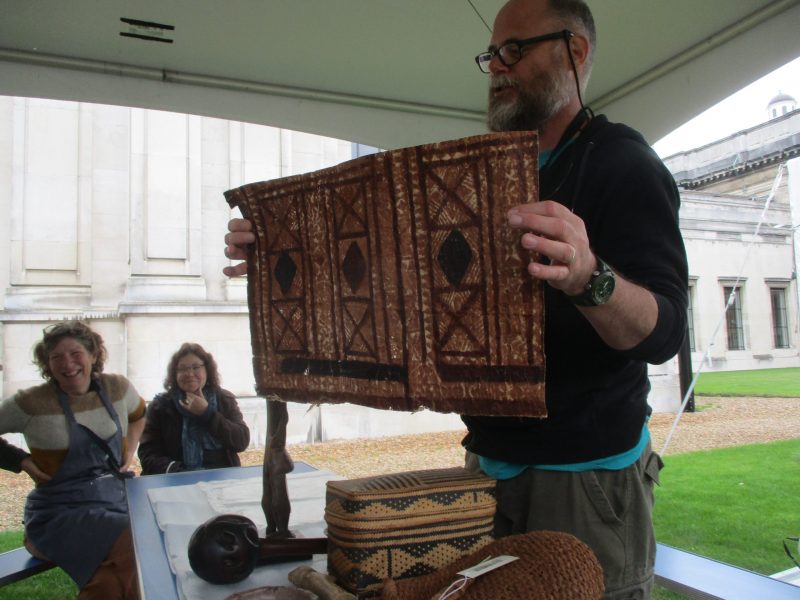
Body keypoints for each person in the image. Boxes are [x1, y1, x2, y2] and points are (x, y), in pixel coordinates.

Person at [223, 0, 688, 597]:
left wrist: (589, 276)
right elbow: (396, 268)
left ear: (574, 51)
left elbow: (665, 332)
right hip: (485, 469)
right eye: (491, 54)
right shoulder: (483, 176)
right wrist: (284, 246)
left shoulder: (623, 163)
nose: (497, 66)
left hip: (584, 481)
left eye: (514, 50)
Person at [0, 320, 146, 599]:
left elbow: (140, 415)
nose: (68, 364)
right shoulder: (30, 402)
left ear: (93, 355)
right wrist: (21, 461)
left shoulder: (117, 388)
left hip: (113, 500)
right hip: (59, 511)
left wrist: (129, 451)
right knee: (135, 541)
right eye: (56, 357)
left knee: (118, 574)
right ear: (47, 364)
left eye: (76, 353)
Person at [138, 342, 250, 475]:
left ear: (207, 370)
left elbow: (241, 441)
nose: (189, 374)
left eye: (195, 367)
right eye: (182, 369)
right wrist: (178, 472)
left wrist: (207, 414)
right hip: (175, 482)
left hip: (221, 481)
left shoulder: (224, 399)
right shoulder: (160, 406)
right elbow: (148, 454)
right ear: (174, 374)